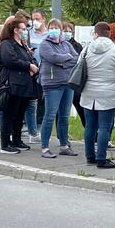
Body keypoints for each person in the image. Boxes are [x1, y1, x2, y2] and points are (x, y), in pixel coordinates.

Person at [79, 22, 115, 168]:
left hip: (88, 92)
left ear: (95, 33)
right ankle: (101, 158)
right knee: (105, 127)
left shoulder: (86, 49)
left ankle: (90, 156)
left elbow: (79, 68)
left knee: (90, 126)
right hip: (109, 92)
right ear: (109, 33)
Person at [38, 18, 79, 158]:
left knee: (64, 116)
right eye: (51, 27)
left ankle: (64, 146)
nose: (53, 30)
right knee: (50, 115)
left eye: (56, 27)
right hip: (52, 84)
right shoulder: (44, 44)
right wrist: (66, 58)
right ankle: (45, 147)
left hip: (67, 83)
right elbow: (53, 57)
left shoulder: (66, 44)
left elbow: (76, 59)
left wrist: (62, 62)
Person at [0, 17, 38, 154]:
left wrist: (33, 65)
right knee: (9, 114)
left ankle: (17, 139)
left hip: (24, 85)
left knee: (20, 114)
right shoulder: (7, 44)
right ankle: (5, 143)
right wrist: (28, 66)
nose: (25, 31)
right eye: (23, 29)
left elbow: (31, 58)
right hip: (12, 85)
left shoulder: (23, 44)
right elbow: (10, 60)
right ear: (15, 30)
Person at [23, 8, 48, 143]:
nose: (35, 22)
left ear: (44, 19)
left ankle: (39, 129)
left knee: (43, 101)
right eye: (33, 19)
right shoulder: (28, 34)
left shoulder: (49, 34)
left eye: (37, 19)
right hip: (32, 71)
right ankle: (31, 130)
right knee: (31, 101)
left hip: (46, 71)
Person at [62, 22, 86, 127]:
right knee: (62, 111)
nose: (67, 33)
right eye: (65, 31)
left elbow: (79, 61)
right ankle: (61, 133)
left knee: (81, 109)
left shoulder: (77, 46)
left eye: (69, 31)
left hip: (74, 81)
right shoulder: (58, 45)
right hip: (62, 80)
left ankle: (90, 131)